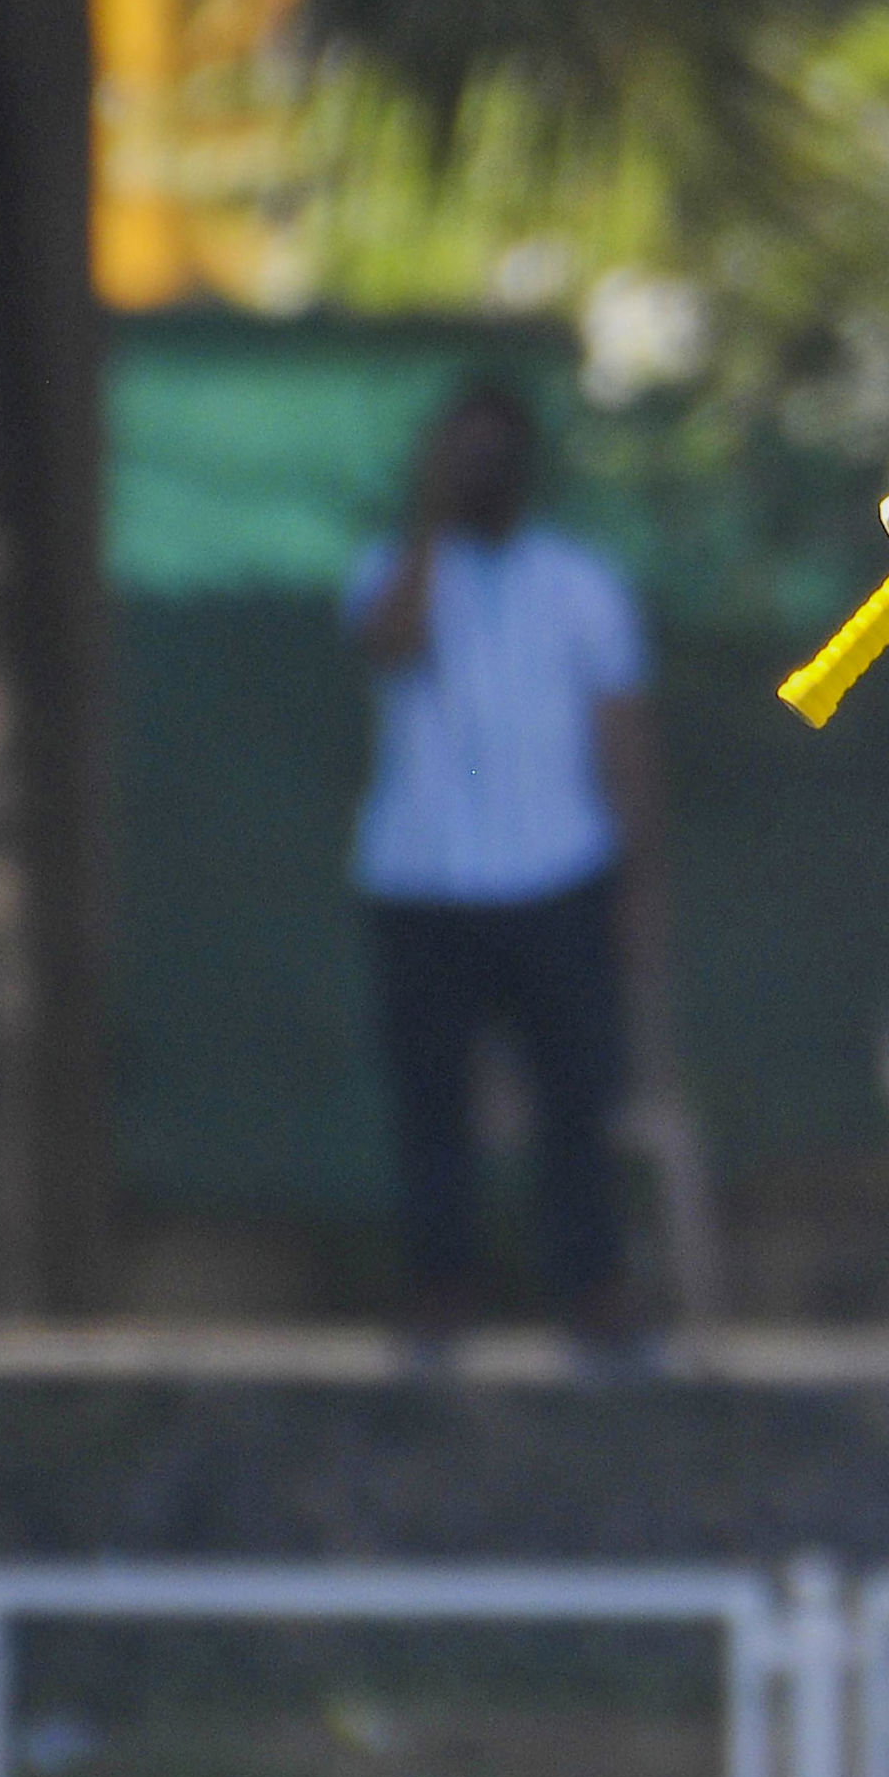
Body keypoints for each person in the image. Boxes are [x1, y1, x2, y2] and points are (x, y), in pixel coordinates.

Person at [347, 379, 663, 1366]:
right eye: (461, 452)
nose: (480, 470)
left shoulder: (583, 586)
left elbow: (622, 742)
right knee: (431, 1103)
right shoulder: (389, 573)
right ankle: (441, 1293)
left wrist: (636, 880)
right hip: (421, 884)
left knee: (576, 1098)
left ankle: (593, 1296)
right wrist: (431, 529)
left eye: (495, 452)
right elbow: (386, 644)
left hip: (557, 872)